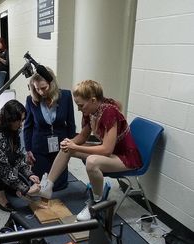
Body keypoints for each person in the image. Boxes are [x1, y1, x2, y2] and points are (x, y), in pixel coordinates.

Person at [37, 80, 142, 221]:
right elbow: (82, 136)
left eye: (81, 105)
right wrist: (70, 143)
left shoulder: (109, 112)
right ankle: (47, 186)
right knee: (67, 147)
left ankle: (96, 204)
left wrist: (76, 147)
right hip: (111, 153)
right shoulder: (90, 111)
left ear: (93, 100)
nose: (79, 109)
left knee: (92, 162)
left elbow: (106, 149)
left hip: (125, 157)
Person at [23, 69, 76, 191]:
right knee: (41, 184)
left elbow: (71, 123)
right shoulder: (30, 100)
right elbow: (27, 126)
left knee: (59, 185)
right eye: (37, 89)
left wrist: (71, 144)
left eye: (44, 88)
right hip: (39, 146)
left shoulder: (66, 96)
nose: (41, 92)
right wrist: (28, 149)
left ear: (51, 84)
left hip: (60, 145)